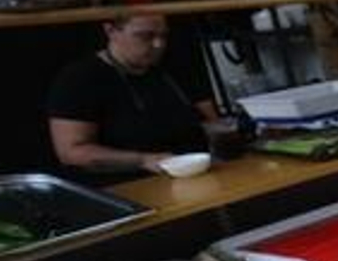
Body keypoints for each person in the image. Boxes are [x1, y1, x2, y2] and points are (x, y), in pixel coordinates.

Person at [47, 14, 217, 182]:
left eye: (163, 36)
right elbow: (71, 152)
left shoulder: (175, 66)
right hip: (130, 183)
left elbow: (210, 122)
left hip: (199, 174)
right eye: (145, 36)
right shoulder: (81, 78)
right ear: (110, 30)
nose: (159, 45)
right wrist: (143, 160)